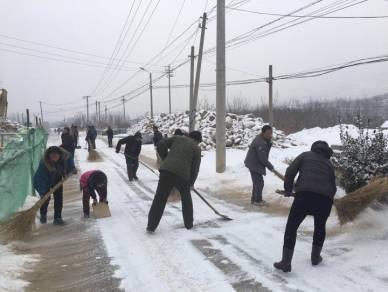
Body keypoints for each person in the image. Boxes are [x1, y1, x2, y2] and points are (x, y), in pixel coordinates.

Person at [274, 141, 337, 273]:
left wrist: (288, 189)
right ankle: (315, 258)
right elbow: (333, 186)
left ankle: (286, 262)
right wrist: (328, 200)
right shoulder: (329, 164)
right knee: (320, 227)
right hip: (325, 199)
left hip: (304, 196)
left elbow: (290, 171)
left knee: (292, 226)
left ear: (314, 148)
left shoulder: (305, 155)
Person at [147, 131, 202, 233]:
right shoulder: (197, 149)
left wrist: (166, 158)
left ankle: (151, 226)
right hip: (182, 176)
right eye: (198, 142)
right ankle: (188, 224)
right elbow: (195, 169)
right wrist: (191, 183)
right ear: (197, 140)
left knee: (159, 199)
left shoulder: (178, 138)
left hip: (166, 172)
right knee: (186, 200)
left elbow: (161, 144)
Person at [33, 146, 76, 225]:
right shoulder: (44, 163)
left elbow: (70, 158)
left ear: (60, 155)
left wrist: (72, 168)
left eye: (56, 156)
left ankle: (57, 218)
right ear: (49, 155)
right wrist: (43, 192)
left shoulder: (65, 156)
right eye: (52, 156)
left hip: (57, 177)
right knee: (46, 199)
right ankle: (43, 214)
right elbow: (40, 180)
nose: (54, 158)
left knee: (59, 198)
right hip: (44, 181)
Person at [244, 125, 274, 206]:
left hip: (254, 162)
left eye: (271, 133)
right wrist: (270, 167)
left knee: (257, 182)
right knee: (259, 183)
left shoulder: (263, 140)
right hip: (254, 163)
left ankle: (255, 199)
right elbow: (262, 158)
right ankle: (257, 201)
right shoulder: (260, 142)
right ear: (263, 133)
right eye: (268, 133)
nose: (270, 135)